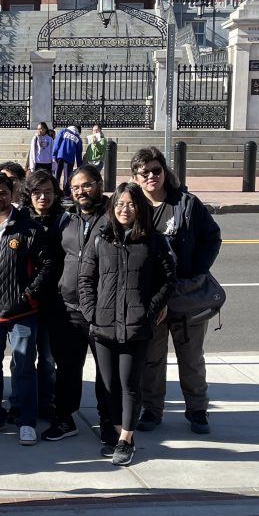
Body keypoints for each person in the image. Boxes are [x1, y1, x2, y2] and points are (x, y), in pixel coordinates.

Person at [78, 182, 175, 466]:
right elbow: (86, 278)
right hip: (103, 326)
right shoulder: (101, 239)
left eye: (131, 204)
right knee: (109, 385)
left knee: (130, 385)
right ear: (112, 208)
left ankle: (125, 440)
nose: (125, 209)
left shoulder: (153, 241)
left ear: (140, 208)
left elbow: (168, 280)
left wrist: (150, 311)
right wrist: (91, 312)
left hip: (136, 327)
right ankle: (119, 432)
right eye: (120, 204)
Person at [131, 147, 222, 435]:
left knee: (191, 357)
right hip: (151, 298)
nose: (151, 176)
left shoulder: (185, 203)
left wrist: (196, 271)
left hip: (185, 295)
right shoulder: (132, 206)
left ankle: (197, 410)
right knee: (152, 358)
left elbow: (212, 237)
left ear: (165, 171)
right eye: (144, 172)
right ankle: (151, 410)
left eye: (156, 170)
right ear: (135, 177)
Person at [0, 173, 53, 446]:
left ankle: (26, 421)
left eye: (3, 192)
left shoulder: (29, 229)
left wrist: (29, 294)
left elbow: (46, 265)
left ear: (11, 193)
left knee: (24, 367)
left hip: (21, 314)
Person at [43, 164, 113, 444]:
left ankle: (108, 421)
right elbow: (51, 258)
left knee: (107, 372)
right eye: (75, 187)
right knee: (67, 369)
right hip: (68, 309)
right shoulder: (65, 219)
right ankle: (65, 418)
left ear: (99, 184)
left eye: (86, 185)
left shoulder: (114, 216)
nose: (81, 191)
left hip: (103, 311)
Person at [21, 169, 64, 420]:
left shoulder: (64, 220)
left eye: (48, 192)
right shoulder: (21, 219)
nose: (43, 197)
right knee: (23, 356)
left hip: (53, 299)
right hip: (25, 299)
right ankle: (22, 400)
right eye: (37, 192)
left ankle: (46, 401)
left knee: (47, 357)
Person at [52, 125, 84, 192]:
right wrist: (79, 165)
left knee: (57, 174)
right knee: (67, 177)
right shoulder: (78, 139)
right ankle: (66, 193)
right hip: (70, 159)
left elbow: (57, 142)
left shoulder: (63, 131)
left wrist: (54, 155)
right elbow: (79, 153)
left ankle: (55, 191)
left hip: (60, 156)